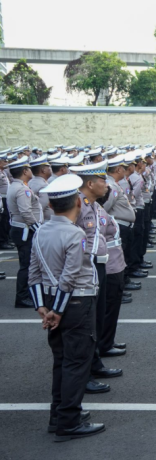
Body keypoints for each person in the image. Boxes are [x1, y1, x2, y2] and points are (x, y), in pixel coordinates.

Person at [28, 174, 106, 442]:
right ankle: (69, 420)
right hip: (75, 303)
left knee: (61, 360)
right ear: (76, 201)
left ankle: (58, 415)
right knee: (77, 362)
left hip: (51, 301)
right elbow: (70, 277)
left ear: (50, 206)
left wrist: (43, 306)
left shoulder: (40, 231)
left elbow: (33, 274)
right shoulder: (75, 233)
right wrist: (58, 311)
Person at [72, 161, 123, 394]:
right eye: (103, 180)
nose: (106, 184)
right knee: (88, 323)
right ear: (90, 184)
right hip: (86, 267)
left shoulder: (92, 204)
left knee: (98, 318)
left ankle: (95, 364)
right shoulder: (78, 206)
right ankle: (86, 373)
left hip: (99, 266)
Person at [7, 155, 42, 308]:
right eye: (28, 169)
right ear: (25, 171)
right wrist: (37, 228)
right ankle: (22, 297)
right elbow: (26, 212)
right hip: (25, 230)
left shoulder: (16, 186)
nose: (30, 171)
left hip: (21, 229)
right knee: (26, 265)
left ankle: (25, 294)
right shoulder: (22, 189)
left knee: (26, 263)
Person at [105, 156, 141, 299]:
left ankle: (123, 284)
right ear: (118, 169)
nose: (125, 170)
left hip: (123, 225)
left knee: (123, 255)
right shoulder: (112, 186)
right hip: (119, 225)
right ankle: (121, 286)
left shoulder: (115, 184)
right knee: (119, 257)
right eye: (123, 168)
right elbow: (105, 208)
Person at [0, 151, 13, 252]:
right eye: (4, 161)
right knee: (3, 221)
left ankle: (6, 239)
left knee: (6, 220)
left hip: (6, 198)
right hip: (1, 199)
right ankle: (2, 241)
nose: (6, 163)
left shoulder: (3, 172)